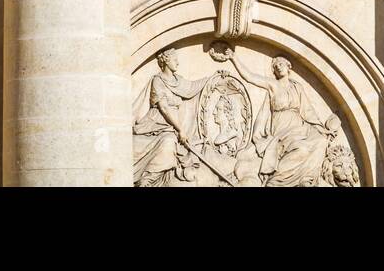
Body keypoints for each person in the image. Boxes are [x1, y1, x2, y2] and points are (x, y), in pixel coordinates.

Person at [225, 46, 331, 186]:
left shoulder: (297, 86)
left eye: (281, 64)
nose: (278, 67)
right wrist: (234, 58)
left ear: (288, 67)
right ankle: (277, 181)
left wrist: (321, 127)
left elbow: (308, 110)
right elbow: (250, 77)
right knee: (302, 149)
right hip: (281, 129)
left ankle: (308, 177)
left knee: (321, 142)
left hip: (299, 128)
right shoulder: (272, 85)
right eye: (275, 66)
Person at [131, 47, 205, 186]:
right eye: (175, 59)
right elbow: (164, 108)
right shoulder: (158, 80)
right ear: (165, 61)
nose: (177, 63)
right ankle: (148, 180)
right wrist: (180, 129)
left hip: (173, 125)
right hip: (157, 124)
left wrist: (212, 77)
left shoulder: (179, 81)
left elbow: (192, 87)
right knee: (168, 143)